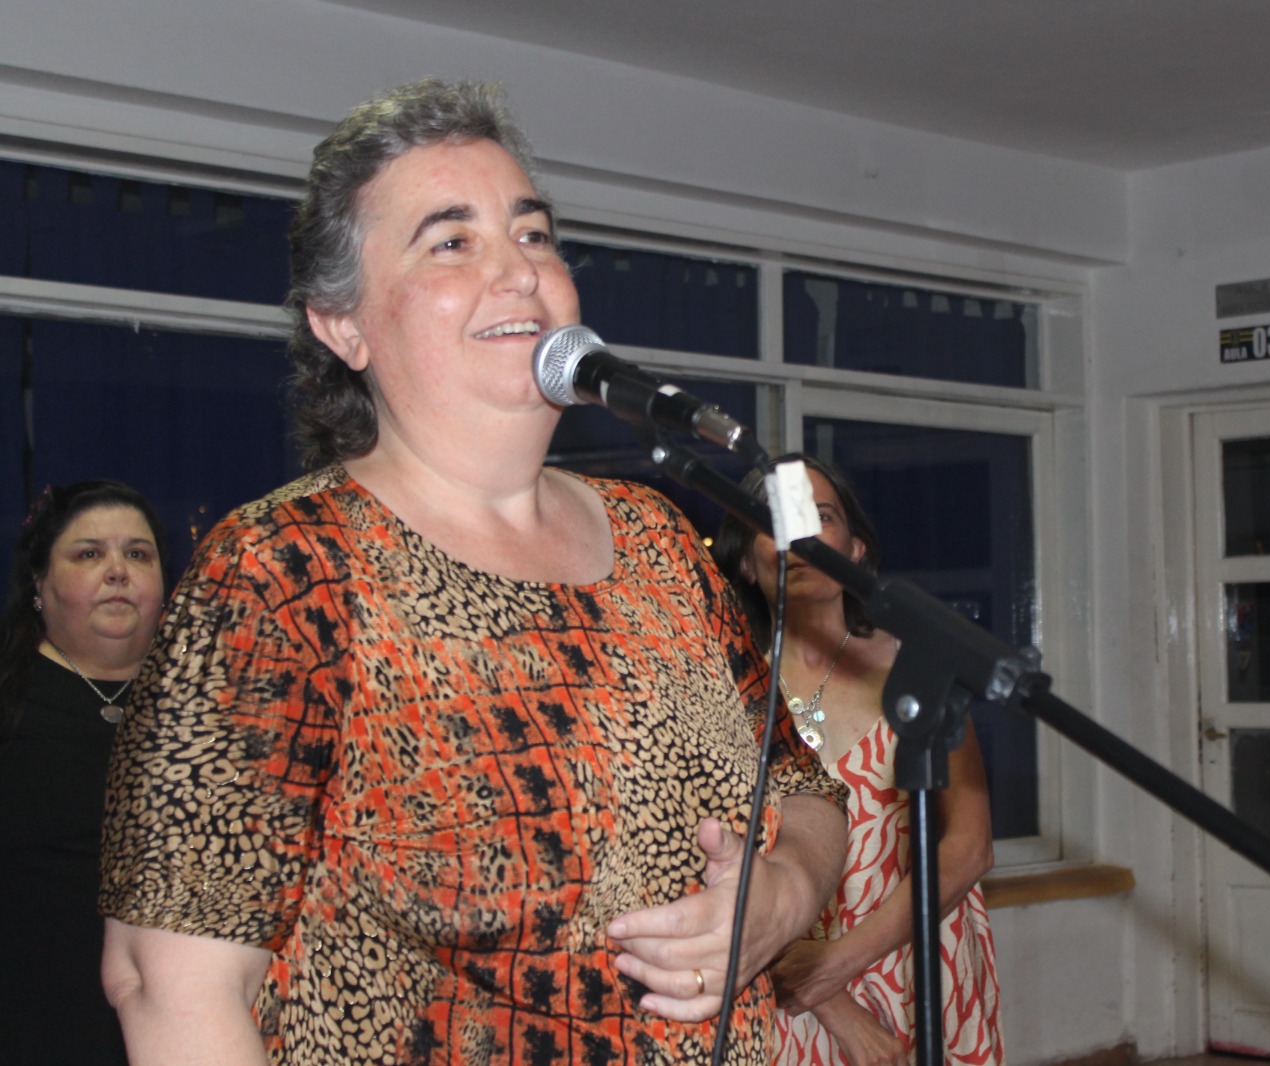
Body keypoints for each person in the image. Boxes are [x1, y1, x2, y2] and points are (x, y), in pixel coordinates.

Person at [97, 78, 847, 1066]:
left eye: (533, 235)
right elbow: (169, 985)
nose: (519, 271)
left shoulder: (660, 541)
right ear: (342, 324)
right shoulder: (283, 573)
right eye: (451, 241)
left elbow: (803, 789)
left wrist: (784, 892)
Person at [711, 456, 1005, 1066]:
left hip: (916, 963)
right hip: (776, 984)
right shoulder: (717, 687)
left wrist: (839, 963)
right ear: (746, 561)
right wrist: (831, 1001)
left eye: (819, 515)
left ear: (857, 549)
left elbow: (970, 847)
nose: (799, 535)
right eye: (775, 519)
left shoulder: (919, 665)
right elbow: (706, 871)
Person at [0, 479, 168, 1065]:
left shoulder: (212, 706)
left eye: (138, 554)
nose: (117, 571)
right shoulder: (11, 701)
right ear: (38, 585)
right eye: (89, 553)